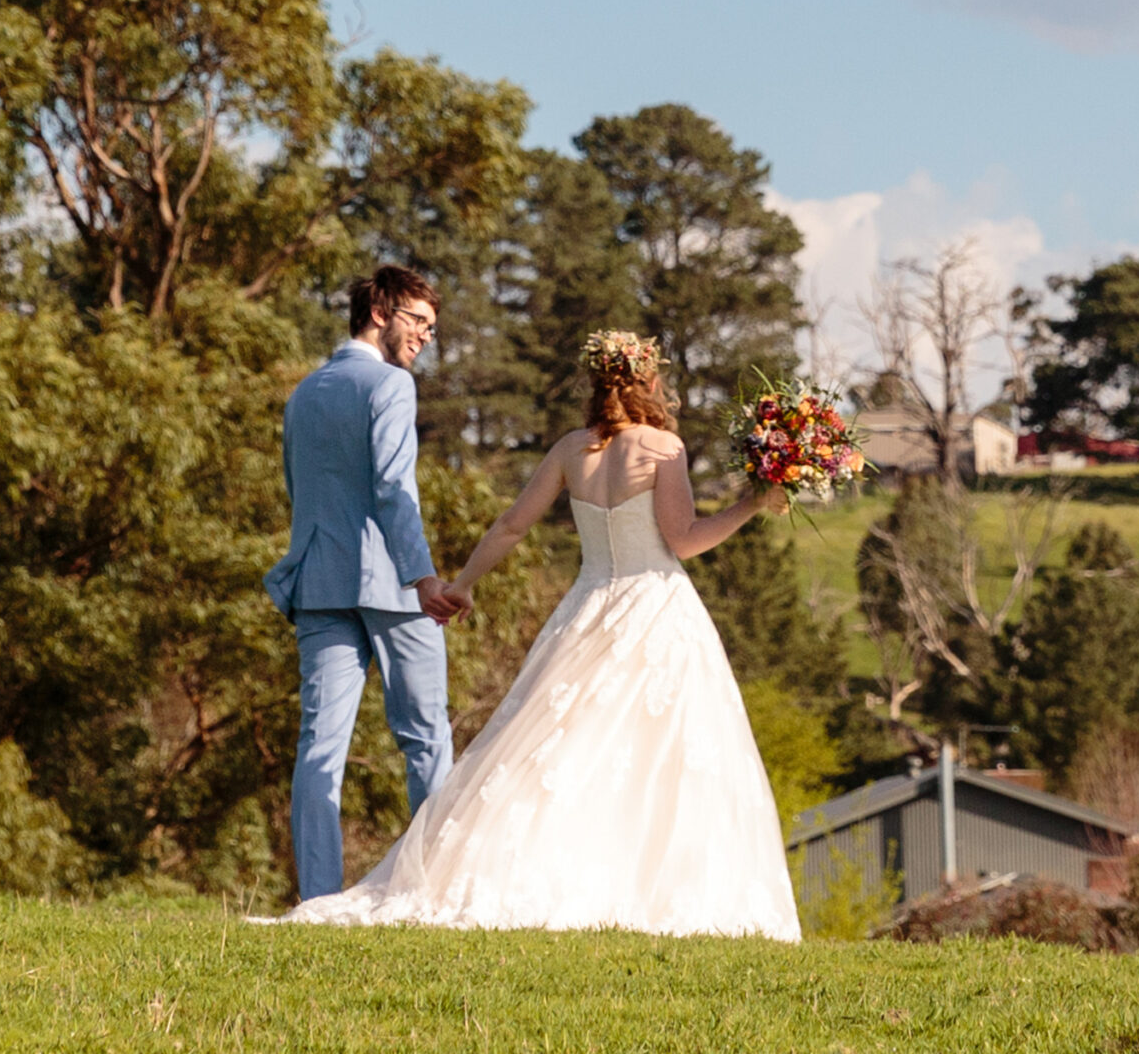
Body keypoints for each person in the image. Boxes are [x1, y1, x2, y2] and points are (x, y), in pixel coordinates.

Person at [281, 330, 801, 939]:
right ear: (648, 382)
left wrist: (464, 582)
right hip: (656, 609)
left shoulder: (570, 450)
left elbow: (511, 524)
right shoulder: (663, 448)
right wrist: (751, 503)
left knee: (568, 746)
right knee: (659, 757)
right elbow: (682, 540)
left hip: (587, 608)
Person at [265, 266, 462, 904]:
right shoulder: (390, 385)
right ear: (379, 311)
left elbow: (300, 493)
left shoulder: (304, 392)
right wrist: (423, 576)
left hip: (319, 582)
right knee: (425, 735)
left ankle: (317, 899)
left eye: (433, 328)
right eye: (418, 322)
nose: (426, 338)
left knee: (319, 747)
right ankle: (426, 890)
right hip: (394, 586)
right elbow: (394, 489)